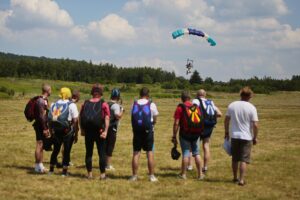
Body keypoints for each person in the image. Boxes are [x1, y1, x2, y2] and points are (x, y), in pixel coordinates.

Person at [224, 86, 259, 186]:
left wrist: (226, 132)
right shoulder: (252, 107)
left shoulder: (232, 105)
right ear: (249, 96)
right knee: (244, 159)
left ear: (241, 95)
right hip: (246, 136)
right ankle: (241, 180)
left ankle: (235, 177)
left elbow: (226, 120)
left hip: (234, 135)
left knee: (235, 158)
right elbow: (255, 125)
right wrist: (255, 137)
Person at [172, 91, 204, 180]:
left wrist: (174, 135)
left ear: (182, 98)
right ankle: (200, 174)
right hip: (196, 133)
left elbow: (176, 123)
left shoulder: (180, 107)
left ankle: (183, 174)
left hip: (185, 134)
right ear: (190, 98)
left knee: (186, 153)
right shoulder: (196, 107)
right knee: (196, 153)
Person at [80, 84, 110, 180]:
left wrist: (82, 129)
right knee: (101, 153)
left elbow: (81, 117)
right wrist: (105, 131)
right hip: (99, 131)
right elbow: (107, 118)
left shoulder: (85, 103)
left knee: (89, 153)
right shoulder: (104, 104)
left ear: (92, 93)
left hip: (88, 132)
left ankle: (89, 174)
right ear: (100, 93)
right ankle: (102, 175)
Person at [129, 87, 159, 182]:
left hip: (137, 131)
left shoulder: (134, 103)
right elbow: (155, 118)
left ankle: (134, 176)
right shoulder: (151, 104)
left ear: (140, 94)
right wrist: (153, 123)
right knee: (149, 152)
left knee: (136, 153)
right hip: (148, 131)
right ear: (148, 94)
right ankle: (151, 176)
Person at [48, 87, 79, 176]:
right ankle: (64, 172)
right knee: (66, 151)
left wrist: (51, 131)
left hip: (56, 131)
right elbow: (75, 120)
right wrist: (76, 134)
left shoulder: (54, 104)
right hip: (67, 132)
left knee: (55, 150)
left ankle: (51, 170)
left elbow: (51, 119)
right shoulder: (71, 105)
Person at [191, 89, 222, 173]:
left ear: (197, 95)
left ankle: (189, 165)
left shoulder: (196, 100)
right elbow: (219, 114)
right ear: (205, 95)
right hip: (209, 127)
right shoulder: (210, 102)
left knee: (193, 145)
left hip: (199, 126)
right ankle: (205, 167)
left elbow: (192, 110)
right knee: (206, 146)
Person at [56, 89, 80, 168]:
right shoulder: (72, 105)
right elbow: (76, 120)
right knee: (66, 147)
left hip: (59, 127)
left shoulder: (61, 103)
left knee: (60, 146)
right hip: (69, 128)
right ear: (76, 97)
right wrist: (76, 132)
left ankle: (58, 162)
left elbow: (56, 116)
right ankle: (65, 161)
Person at [32, 83, 51, 173]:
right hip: (40, 125)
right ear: (47, 91)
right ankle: (37, 166)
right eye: (50, 90)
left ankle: (41, 166)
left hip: (42, 125)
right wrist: (44, 128)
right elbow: (41, 116)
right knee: (39, 144)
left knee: (41, 145)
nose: (51, 91)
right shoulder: (41, 101)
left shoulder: (44, 100)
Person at [106, 88, 124, 171]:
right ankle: (108, 165)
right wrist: (122, 110)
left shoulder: (106, 103)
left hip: (105, 127)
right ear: (118, 96)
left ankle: (103, 163)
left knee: (104, 146)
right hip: (112, 128)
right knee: (110, 147)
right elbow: (118, 116)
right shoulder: (116, 106)